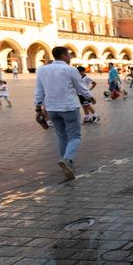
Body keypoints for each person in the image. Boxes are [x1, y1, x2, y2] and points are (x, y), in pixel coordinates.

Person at [34, 46, 95, 180]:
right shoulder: (70, 69)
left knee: (61, 136)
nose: (70, 57)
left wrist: (38, 108)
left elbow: (39, 90)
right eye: (69, 55)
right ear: (63, 55)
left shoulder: (42, 70)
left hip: (52, 109)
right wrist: (90, 97)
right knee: (75, 136)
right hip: (69, 107)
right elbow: (81, 88)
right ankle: (67, 160)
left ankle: (67, 163)